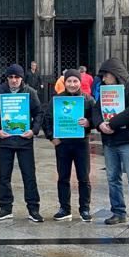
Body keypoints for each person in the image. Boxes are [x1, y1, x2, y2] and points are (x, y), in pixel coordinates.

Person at [91, 58, 129, 228]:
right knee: (112, 178)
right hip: (110, 141)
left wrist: (111, 124)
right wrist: (100, 124)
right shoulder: (107, 90)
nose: (103, 79)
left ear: (114, 73)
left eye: (105, 75)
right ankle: (118, 212)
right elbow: (96, 109)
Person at [0, 64, 44, 222]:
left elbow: (39, 112)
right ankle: (5, 208)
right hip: (5, 140)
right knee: (4, 176)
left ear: (22, 78)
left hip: (25, 140)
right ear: (7, 78)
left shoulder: (30, 92)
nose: (13, 80)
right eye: (11, 77)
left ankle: (33, 208)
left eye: (17, 77)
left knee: (29, 175)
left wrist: (33, 130)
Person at [43, 69, 95, 221]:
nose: (72, 84)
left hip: (81, 143)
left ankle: (85, 209)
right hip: (63, 144)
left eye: (75, 81)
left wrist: (89, 123)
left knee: (84, 177)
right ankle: (64, 208)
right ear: (64, 83)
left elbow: (96, 118)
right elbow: (47, 119)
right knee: (63, 177)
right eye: (69, 81)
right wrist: (52, 138)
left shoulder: (88, 100)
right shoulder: (56, 100)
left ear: (80, 82)